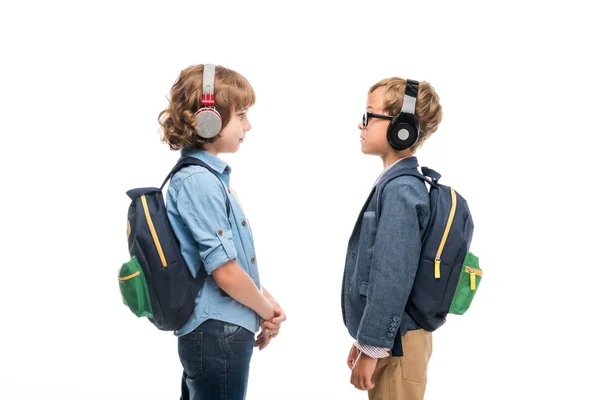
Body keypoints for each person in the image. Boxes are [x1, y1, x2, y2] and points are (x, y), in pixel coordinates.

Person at [158, 63, 286, 400]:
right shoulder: (199, 181)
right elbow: (225, 273)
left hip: (220, 330)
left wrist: (266, 302)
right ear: (208, 119)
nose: (248, 125)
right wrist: (264, 311)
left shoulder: (209, 178)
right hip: (217, 333)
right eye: (241, 115)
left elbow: (231, 262)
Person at [341, 77, 443, 400]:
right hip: (393, 340)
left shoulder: (401, 190)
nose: (361, 123)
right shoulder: (395, 184)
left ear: (403, 128)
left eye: (370, 115)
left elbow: (391, 277)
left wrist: (371, 348)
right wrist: (363, 339)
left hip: (397, 345)